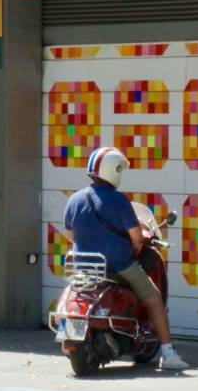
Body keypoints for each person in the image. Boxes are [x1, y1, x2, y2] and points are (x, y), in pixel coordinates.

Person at [63, 146, 188, 370]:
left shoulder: (74, 199)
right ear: (116, 170)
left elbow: (71, 235)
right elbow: (137, 239)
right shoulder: (119, 200)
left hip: (84, 268)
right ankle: (168, 354)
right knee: (154, 298)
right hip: (118, 266)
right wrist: (138, 241)